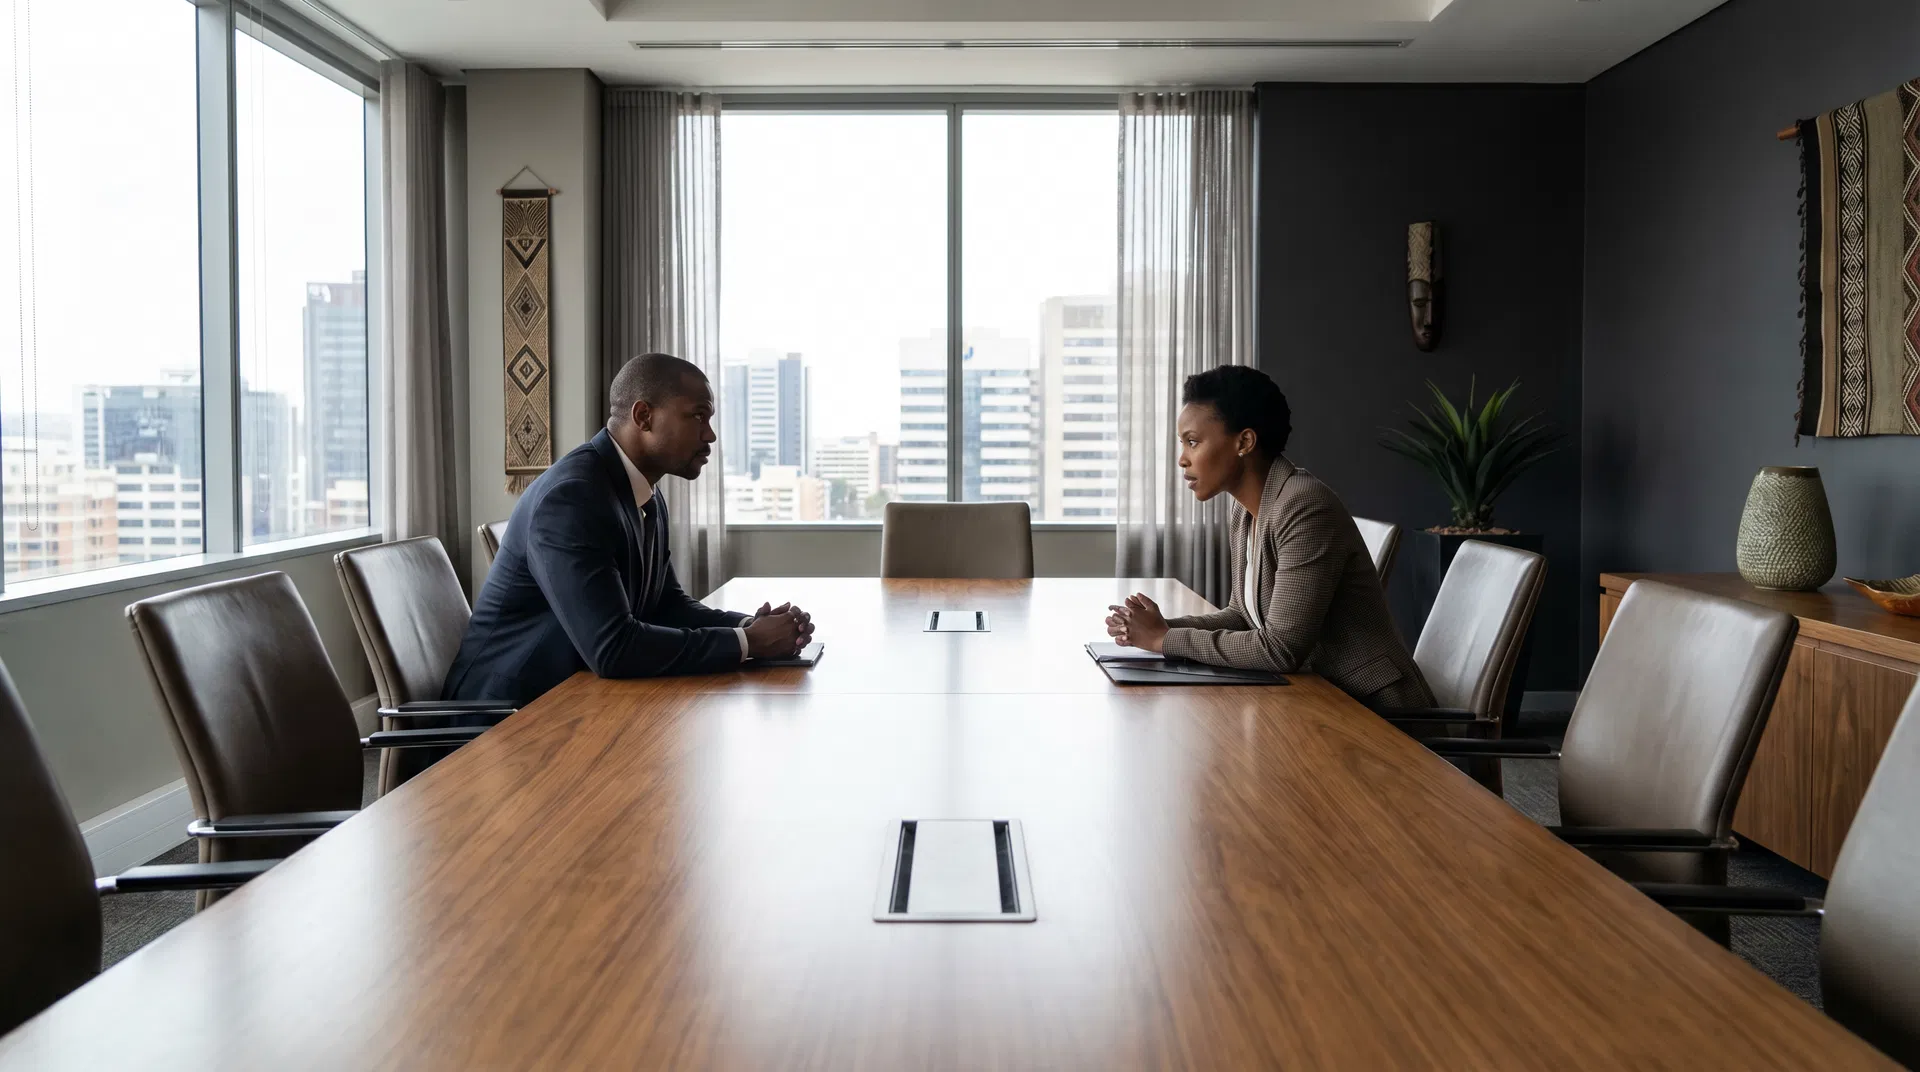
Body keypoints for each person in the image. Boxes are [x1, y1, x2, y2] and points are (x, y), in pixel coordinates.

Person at [443, 352, 814, 708]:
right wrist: (746, 643)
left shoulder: (643, 494)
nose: (710, 435)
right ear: (643, 416)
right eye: (698, 417)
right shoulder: (572, 498)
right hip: (502, 722)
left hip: (575, 699)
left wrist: (751, 627)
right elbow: (614, 648)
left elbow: (666, 605)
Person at [1105, 365, 1433, 710]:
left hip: (1377, 714)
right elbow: (1242, 616)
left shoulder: (1305, 507)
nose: (1182, 459)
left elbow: (1281, 649)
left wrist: (1165, 639)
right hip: (1318, 698)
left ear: (1244, 441)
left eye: (1193, 441)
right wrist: (1159, 628)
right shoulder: (1246, 511)